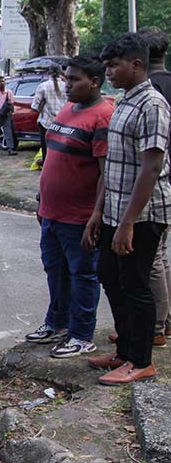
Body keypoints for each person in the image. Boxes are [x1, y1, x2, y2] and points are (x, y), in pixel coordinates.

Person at [83, 33, 171, 385]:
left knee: (135, 284)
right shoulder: (124, 102)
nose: (109, 72)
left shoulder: (152, 105)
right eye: (106, 66)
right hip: (114, 210)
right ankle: (125, 348)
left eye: (114, 66)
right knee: (109, 274)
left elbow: (151, 168)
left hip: (143, 215)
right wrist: (97, 214)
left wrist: (128, 223)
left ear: (137, 65)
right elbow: (114, 164)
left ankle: (141, 360)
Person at [25, 54, 113, 359]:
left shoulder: (102, 116)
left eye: (74, 79)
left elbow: (105, 173)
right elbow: (51, 157)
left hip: (79, 217)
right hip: (51, 212)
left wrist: (96, 215)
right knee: (55, 270)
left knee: (82, 274)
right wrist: (41, 199)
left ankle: (81, 334)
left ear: (95, 82)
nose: (67, 83)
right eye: (66, 77)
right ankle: (57, 323)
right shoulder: (67, 109)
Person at [139, 26, 171, 346]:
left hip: (156, 179)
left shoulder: (149, 93)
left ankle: (158, 326)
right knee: (161, 254)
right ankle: (166, 320)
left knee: (152, 258)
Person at [31, 64, 67, 165]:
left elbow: (35, 106)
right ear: (61, 73)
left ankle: (47, 168)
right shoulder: (66, 86)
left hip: (45, 123)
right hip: (62, 123)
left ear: (49, 73)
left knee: (46, 150)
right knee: (61, 148)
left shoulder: (43, 86)